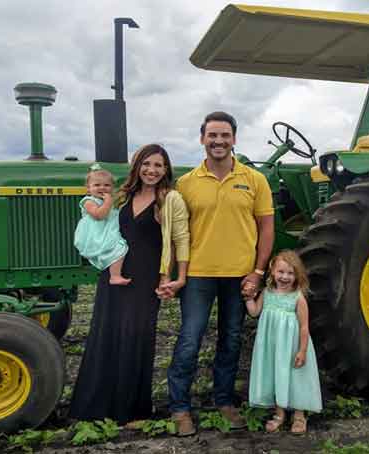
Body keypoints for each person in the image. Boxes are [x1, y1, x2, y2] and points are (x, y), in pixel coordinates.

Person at [164, 111, 275, 436]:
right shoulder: (185, 184)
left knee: (231, 340)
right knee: (189, 339)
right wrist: (171, 275)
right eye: (212, 135)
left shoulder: (254, 180)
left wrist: (257, 271)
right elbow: (174, 233)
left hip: (240, 275)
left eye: (225, 135)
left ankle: (224, 402)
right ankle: (180, 407)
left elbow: (266, 228)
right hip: (197, 274)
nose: (218, 141)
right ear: (202, 139)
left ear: (234, 139)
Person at [70, 144, 190, 425]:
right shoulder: (123, 196)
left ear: (166, 170)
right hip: (115, 273)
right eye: (146, 164)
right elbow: (100, 224)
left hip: (145, 277)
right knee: (106, 333)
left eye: (158, 165)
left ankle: (131, 410)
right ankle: (95, 407)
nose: (152, 170)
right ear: (137, 166)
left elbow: (180, 239)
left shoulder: (170, 199)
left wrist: (175, 277)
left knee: (137, 337)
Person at [245, 250, 322, 434]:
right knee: (275, 376)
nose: (285, 277)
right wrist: (248, 298)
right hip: (271, 346)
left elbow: (304, 327)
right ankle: (279, 414)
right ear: (272, 271)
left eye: (290, 273)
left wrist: (302, 351)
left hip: (292, 346)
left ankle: (299, 416)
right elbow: (255, 312)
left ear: (297, 275)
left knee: (295, 378)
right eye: (281, 272)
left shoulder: (298, 298)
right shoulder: (267, 293)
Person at [73, 165, 131, 285]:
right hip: (96, 233)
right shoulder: (88, 201)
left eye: (107, 185)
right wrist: (108, 202)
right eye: (97, 185)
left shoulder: (109, 200)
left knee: (120, 247)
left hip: (107, 229)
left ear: (112, 188)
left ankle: (115, 273)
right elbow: (99, 215)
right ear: (88, 189)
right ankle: (115, 276)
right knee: (119, 249)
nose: (102, 188)